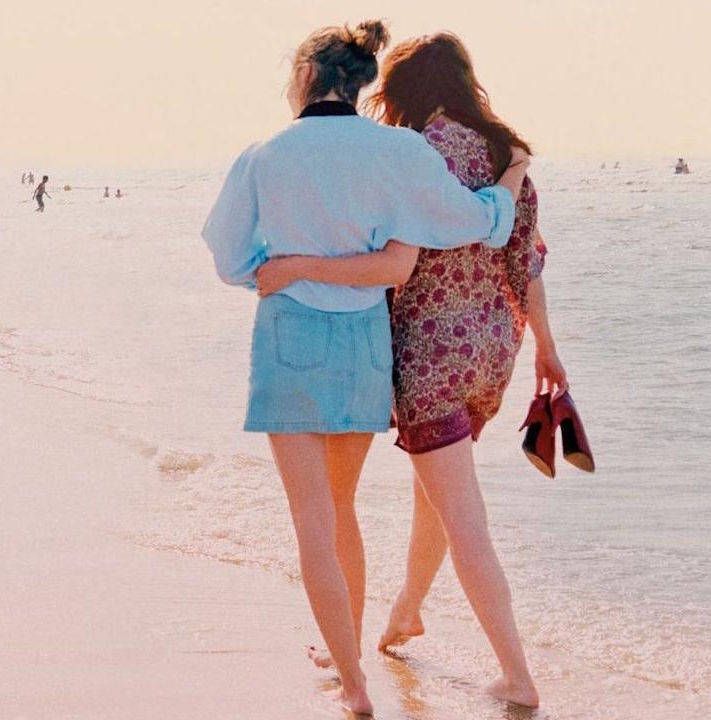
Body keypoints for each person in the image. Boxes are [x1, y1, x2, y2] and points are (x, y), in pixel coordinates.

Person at [202, 20, 528, 714]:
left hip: (291, 333)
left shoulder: (266, 153)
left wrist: (286, 268)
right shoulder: (398, 149)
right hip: (364, 341)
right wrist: (509, 187)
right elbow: (472, 221)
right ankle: (351, 656)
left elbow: (229, 258)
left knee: (312, 520)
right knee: (342, 509)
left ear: (309, 77)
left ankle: (353, 684)